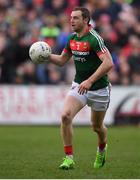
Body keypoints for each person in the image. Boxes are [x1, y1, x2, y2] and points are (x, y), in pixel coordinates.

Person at [48, 7, 114, 169]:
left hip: (99, 89)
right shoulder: (72, 39)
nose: (71, 20)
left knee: (97, 127)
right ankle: (68, 158)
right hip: (79, 85)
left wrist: (90, 81)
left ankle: (102, 149)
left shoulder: (94, 39)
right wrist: (46, 56)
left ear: (86, 20)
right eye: (71, 17)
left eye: (76, 18)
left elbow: (108, 63)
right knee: (65, 116)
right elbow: (63, 60)